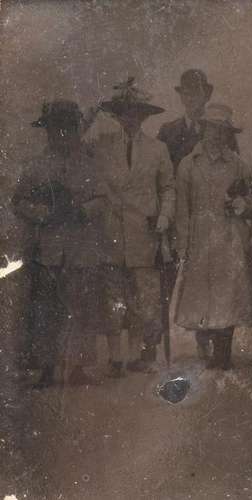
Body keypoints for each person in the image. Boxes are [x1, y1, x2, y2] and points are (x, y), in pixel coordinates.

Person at [12, 100, 117, 386]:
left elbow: (103, 199)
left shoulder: (89, 163)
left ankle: (79, 368)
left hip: (81, 248)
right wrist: (42, 213)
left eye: (68, 130)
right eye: (55, 130)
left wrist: (81, 211)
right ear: (48, 132)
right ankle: (46, 368)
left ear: (75, 131)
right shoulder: (36, 166)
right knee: (47, 310)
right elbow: (18, 201)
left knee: (81, 307)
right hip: (48, 249)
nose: (62, 136)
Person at [92, 77, 175, 373]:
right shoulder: (102, 146)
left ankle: (142, 354)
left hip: (145, 232)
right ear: (117, 116)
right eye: (124, 113)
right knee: (114, 297)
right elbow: (83, 141)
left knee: (145, 297)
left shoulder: (158, 149)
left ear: (144, 117)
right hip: (112, 233)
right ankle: (116, 359)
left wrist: (164, 217)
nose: (130, 119)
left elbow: (168, 188)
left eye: (136, 114)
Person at [158, 69, 241, 361]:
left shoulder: (232, 153)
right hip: (187, 223)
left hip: (223, 231)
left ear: (207, 95)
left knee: (222, 288)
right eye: (187, 93)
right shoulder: (170, 135)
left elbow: (240, 185)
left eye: (199, 93)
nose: (193, 99)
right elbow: (166, 184)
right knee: (192, 288)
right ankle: (197, 341)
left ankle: (221, 349)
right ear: (181, 96)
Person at [175, 103, 252, 370]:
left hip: (228, 235)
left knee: (226, 293)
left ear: (228, 134)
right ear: (203, 130)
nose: (217, 135)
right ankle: (204, 343)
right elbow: (182, 208)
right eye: (212, 129)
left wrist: (243, 204)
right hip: (199, 236)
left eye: (223, 131)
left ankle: (223, 354)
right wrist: (182, 245)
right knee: (201, 294)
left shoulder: (238, 164)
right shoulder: (188, 164)